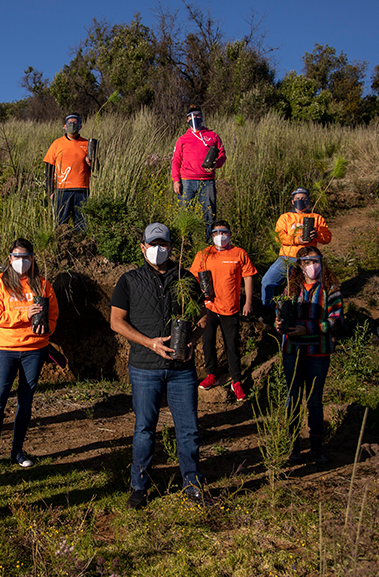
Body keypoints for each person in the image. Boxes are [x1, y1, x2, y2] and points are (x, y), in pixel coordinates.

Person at [110, 223, 207, 510]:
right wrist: (149, 342)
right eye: (152, 244)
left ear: (171, 247)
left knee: (188, 429)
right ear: (142, 247)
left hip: (182, 370)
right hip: (144, 368)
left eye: (163, 243)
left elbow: (204, 317)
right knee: (144, 429)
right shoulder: (128, 281)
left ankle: (192, 483)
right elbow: (116, 321)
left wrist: (193, 340)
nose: (158, 249)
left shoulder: (186, 279)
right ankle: (139, 487)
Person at [0, 238, 59, 468]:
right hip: (6, 349)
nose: (21, 261)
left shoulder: (43, 285)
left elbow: (53, 315)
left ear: (32, 258)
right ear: (9, 258)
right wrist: (25, 315)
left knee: (25, 401)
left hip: (35, 350)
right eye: (17, 257)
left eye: (26, 257)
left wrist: (48, 328)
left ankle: (17, 451)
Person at [274, 246, 342, 464]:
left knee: (314, 400)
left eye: (315, 261)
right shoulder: (290, 289)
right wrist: (279, 323)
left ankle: (317, 447)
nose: (312, 266)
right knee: (292, 399)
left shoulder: (331, 289)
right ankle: (293, 447)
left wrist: (308, 329)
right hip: (292, 351)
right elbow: (280, 314)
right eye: (307, 262)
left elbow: (336, 320)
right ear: (300, 266)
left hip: (318, 352)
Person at [189, 220, 257, 401]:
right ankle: (212, 375)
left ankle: (236, 381)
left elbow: (248, 277)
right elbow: (193, 278)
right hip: (209, 307)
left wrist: (248, 302)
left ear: (230, 234)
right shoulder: (204, 254)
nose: (220, 236)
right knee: (207, 342)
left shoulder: (239, 253)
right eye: (216, 232)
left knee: (232, 345)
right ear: (211, 236)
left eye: (224, 232)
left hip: (231, 308)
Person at [261, 187, 332, 310]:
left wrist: (317, 235)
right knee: (267, 281)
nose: (300, 200)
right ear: (293, 201)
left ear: (308, 200)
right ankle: (267, 310)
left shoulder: (316, 217)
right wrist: (296, 240)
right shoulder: (285, 217)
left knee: (312, 288)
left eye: (303, 198)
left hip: (309, 259)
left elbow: (327, 238)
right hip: (287, 257)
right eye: (297, 198)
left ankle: (315, 311)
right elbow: (279, 237)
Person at [171, 107, 226, 226]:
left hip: (207, 181)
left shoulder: (213, 136)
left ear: (201, 117)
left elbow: (222, 154)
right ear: (187, 119)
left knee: (210, 215)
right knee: (185, 216)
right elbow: (176, 160)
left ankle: (210, 242)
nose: (195, 118)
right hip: (187, 181)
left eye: (197, 115)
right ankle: (186, 243)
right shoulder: (182, 139)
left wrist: (217, 164)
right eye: (191, 116)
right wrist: (176, 180)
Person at [44, 113, 92, 231]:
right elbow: (48, 169)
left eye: (75, 123)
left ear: (80, 126)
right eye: (70, 123)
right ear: (65, 126)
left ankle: (81, 247)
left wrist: (91, 164)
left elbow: (97, 169)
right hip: (61, 191)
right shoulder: (57, 144)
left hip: (83, 190)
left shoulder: (87, 144)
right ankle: (61, 247)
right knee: (61, 226)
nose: (72, 125)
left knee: (82, 226)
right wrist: (50, 191)